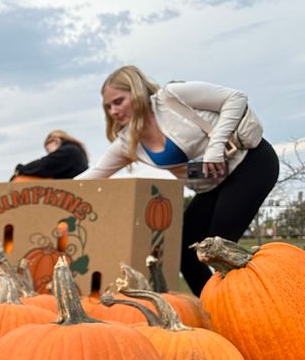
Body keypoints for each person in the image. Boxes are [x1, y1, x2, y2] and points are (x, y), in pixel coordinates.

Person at [77, 65, 278, 296]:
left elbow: (235, 98)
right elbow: (92, 176)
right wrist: (40, 190)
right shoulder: (128, 142)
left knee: (220, 243)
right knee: (184, 250)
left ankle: (259, 302)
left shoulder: (172, 97)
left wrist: (216, 145)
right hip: (212, 186)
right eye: (108, 107)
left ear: (137, 92)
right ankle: (211, 307)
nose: (113, 111)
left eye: (118, 101)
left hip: (251, 162)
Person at [12, 130, 88, 180]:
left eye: (50, 151)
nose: (51, 154)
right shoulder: (76, 151)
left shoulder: (69, 151)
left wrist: (21, 169)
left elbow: (45, 165)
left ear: (56, 140)